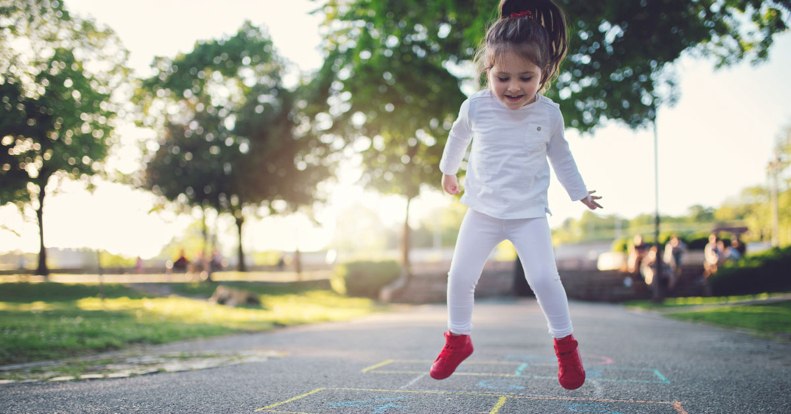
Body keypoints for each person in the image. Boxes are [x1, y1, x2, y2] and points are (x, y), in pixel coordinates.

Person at [431, 0, 603, 391]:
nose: (513, 87)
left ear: (543, 74)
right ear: (488, 70)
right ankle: (458, 339)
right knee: (459, 276)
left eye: (526, 77)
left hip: (528, 214)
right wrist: (447, 171)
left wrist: (579, 193)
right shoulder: (476, 105)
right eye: (503, 77)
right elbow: (458, 134)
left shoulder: (549, 114)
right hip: (483, 210)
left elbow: (561, 154)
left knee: (544, 277)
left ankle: (566, 347)